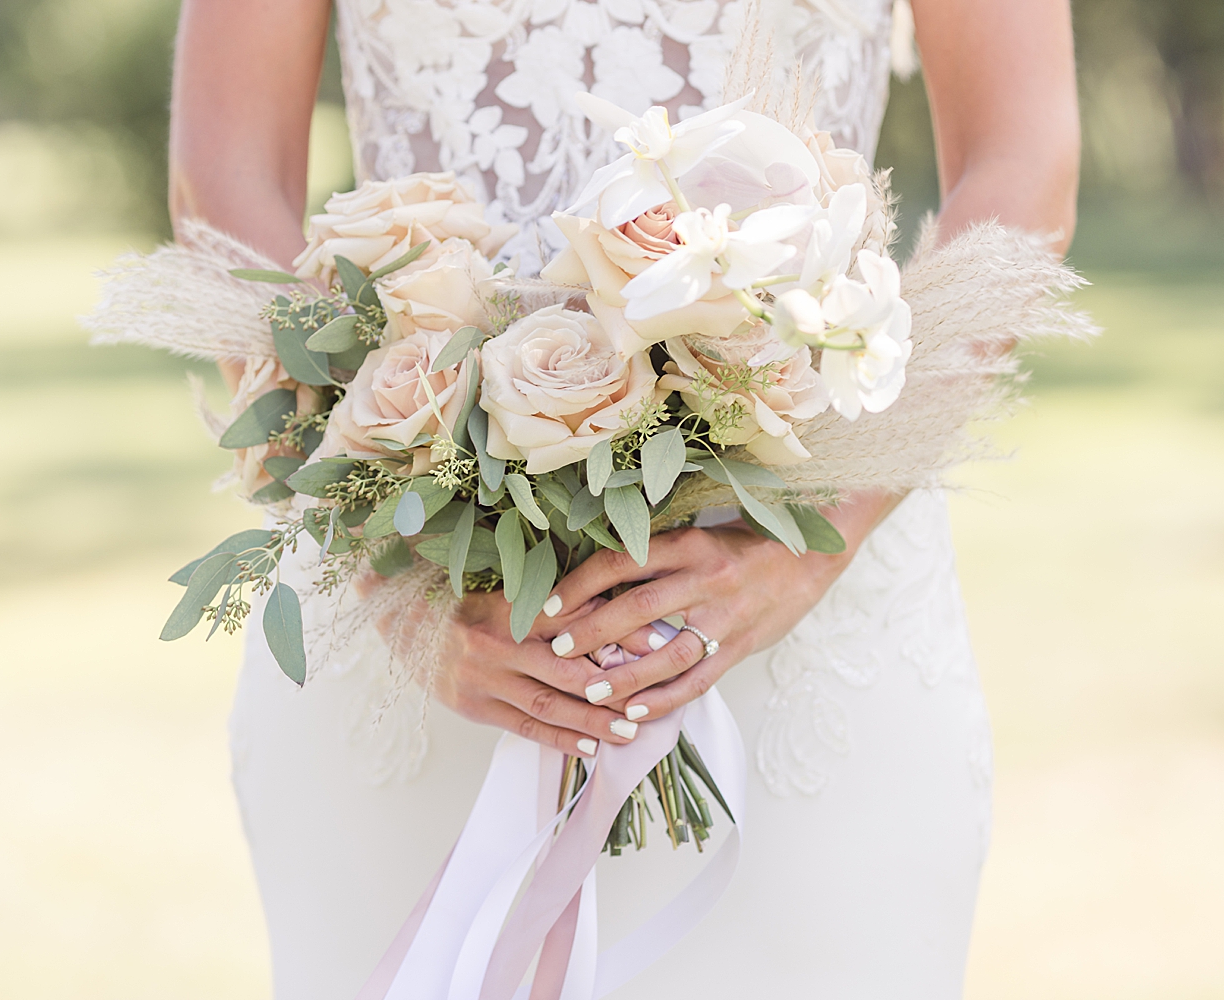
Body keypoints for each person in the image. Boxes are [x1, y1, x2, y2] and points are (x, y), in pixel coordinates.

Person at [169, 0, 1079, 994]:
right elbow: (226, 174)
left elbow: (1023, 156)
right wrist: (388, 553)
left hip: (814, 628)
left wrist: (817, 540)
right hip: (415, 608)